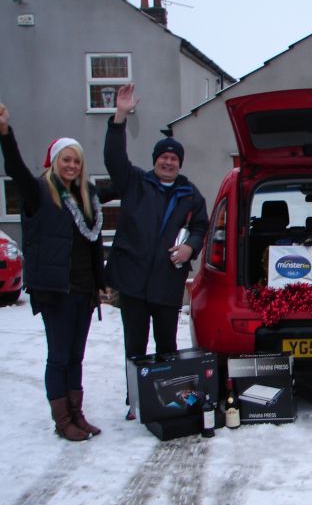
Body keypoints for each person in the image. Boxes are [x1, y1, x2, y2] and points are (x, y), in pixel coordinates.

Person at [0, 103, 104, 441]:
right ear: (54, 162)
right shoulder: (39, 193)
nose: (72, 165)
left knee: (76, 356)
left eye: (76, 160)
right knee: (59, 357)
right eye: (66, 159)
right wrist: (5, 133)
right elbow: (14, 168)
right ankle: (62, 422)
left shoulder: (87, 197)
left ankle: (77, 414)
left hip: (84, 290)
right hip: (57, 291)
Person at [104, 83, 208, 417]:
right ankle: (134, 401)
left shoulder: (190, 194)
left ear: (179, 163)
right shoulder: (135, 182)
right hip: (133, 282)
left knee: (167, 347)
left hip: (166, 282)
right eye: (163, 156)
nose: (168, 161)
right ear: (155, 161)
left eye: (174, 158)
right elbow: (113, 158)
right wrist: (120, 116)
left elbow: (200, 227)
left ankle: (168, 397)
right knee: (134, 346)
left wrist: (190, 249)